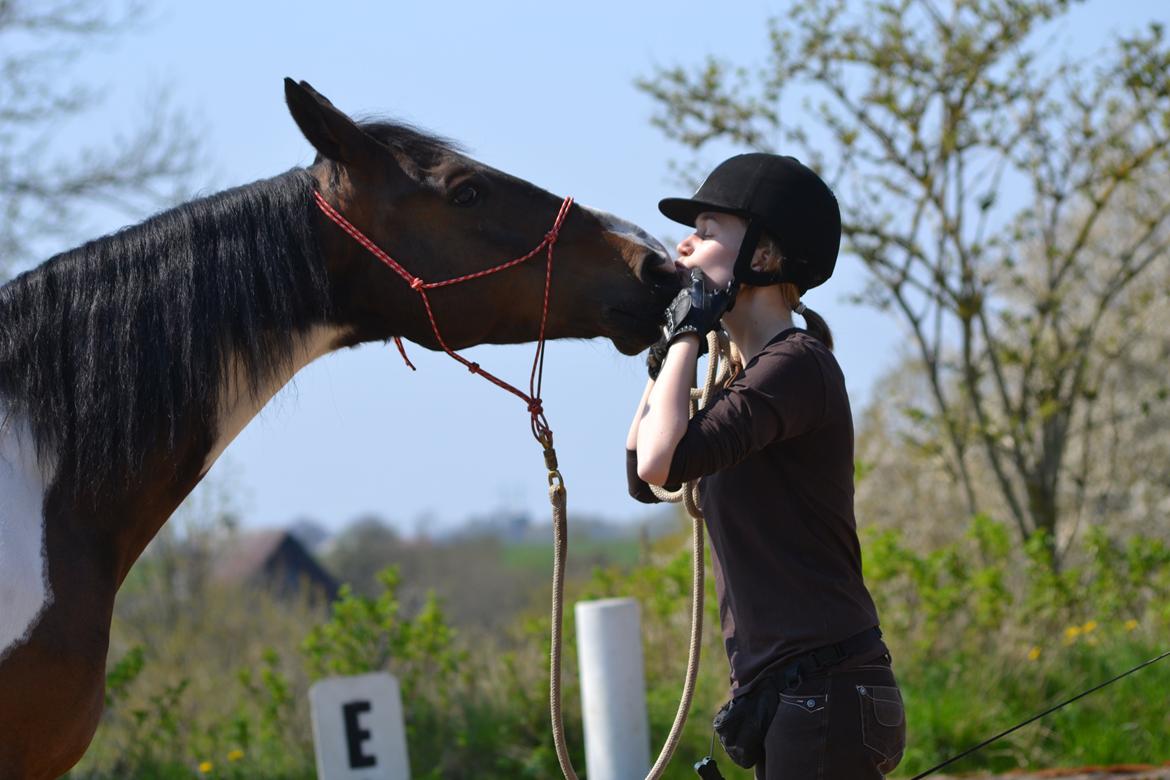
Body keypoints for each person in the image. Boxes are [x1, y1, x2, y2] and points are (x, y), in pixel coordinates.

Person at [626, 154, 906, 779]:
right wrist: (668, 349)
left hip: (825, 692)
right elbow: (642, 469)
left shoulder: (797, 365)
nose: (685, 244)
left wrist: (688, 339)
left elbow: (659, 461)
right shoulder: (744, 378)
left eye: (708, 228)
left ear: (767, 255)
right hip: (797, 695)